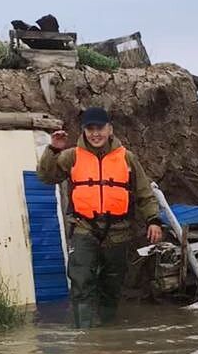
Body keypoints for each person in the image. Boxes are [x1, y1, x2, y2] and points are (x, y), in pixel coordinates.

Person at [37, 106, 163, 327]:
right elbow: (46, 177)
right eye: (90, 128)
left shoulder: (127, 158)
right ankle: (83, 335)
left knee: (112, 285)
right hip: (84, 229)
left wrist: (153, 220)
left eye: (100, 128)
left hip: (119, 231)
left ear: (110, 129)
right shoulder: (71, 156)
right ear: (84, 131)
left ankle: (106, 334)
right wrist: (53, 150)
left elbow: (145, 193)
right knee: (81, 281)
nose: (95, 133)